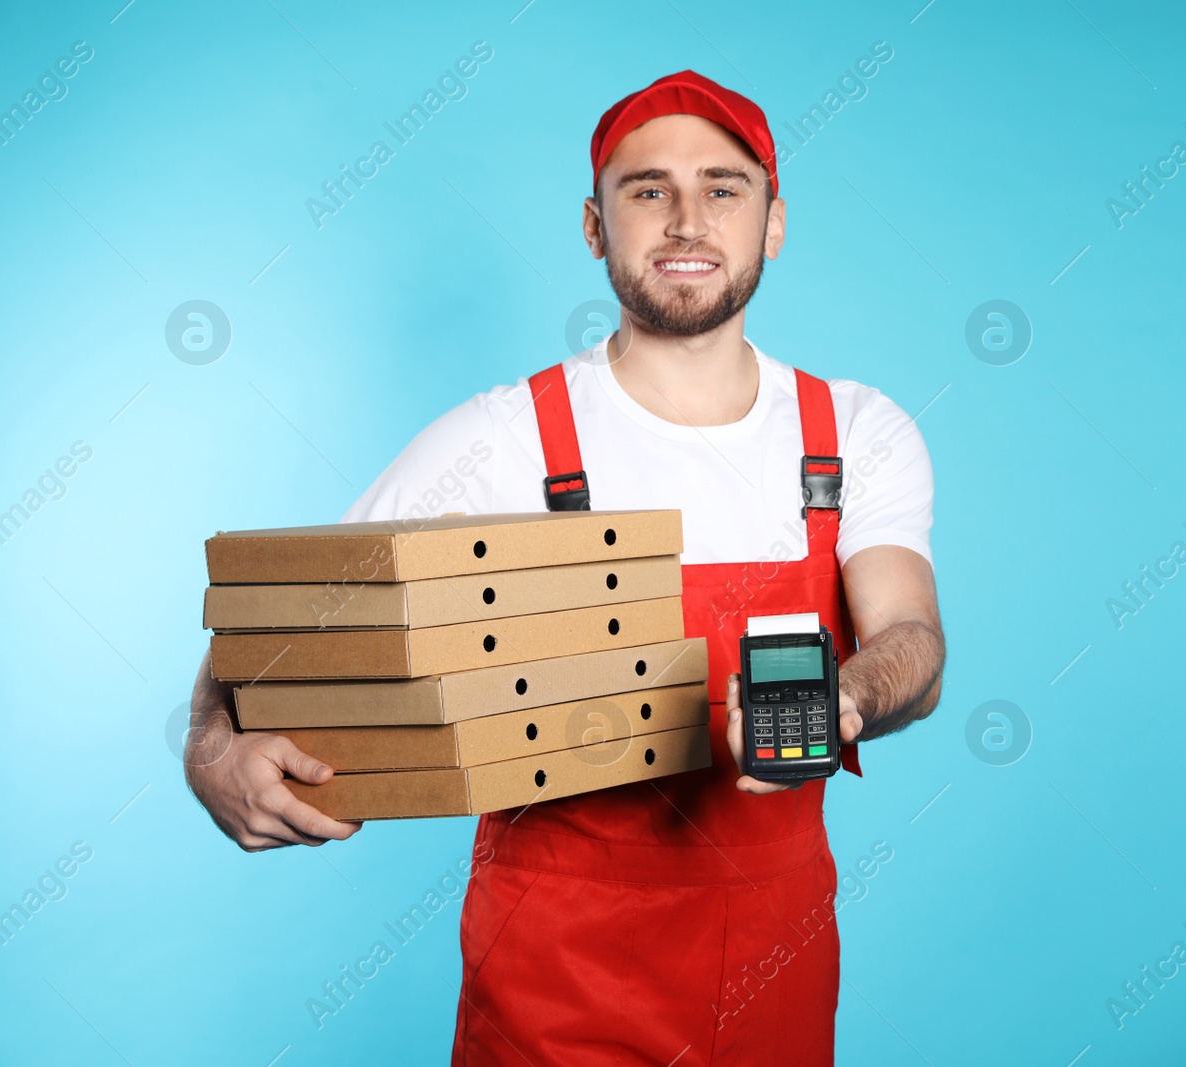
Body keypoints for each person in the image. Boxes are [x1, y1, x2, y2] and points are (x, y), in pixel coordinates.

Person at [185, 69, 945, 1065]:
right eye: (646, 190)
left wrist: (843, 694)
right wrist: (210, 746)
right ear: (594, 225)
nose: (686, 219)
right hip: (553, 983)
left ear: (774, 224)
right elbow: (280, 630)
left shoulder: (852, 434)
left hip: (779, 965)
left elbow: (912, 641)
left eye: (723, 188)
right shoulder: (503, 439)